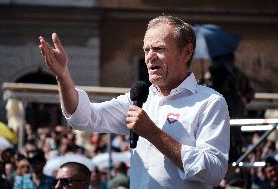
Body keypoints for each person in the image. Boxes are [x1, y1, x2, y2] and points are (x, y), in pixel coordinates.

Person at [39, 15, 230, 188]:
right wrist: (63, 76)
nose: (149, 57)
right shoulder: (139, 99)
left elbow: (213, 172)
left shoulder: (210, 102)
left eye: (159, 49)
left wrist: (153, 134)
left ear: (186, 52)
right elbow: (85, 118)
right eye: (146, 49)